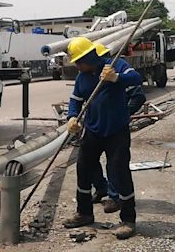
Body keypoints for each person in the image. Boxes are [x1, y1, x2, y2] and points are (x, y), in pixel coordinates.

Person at [63, 37, 141, 240]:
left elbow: (136, 79)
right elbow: (75, 100)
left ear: (89, 56)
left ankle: (128, 219)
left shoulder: (115, 65)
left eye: (80, 61)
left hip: (116, 131)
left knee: (119, 170)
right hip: (93, 131)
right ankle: (84, 212)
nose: (78, 66)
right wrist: (72, 117)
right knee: (83, 169)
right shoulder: (83, 77)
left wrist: (116, 78)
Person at [91, 43, 146, 214]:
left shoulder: (119, 69)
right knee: (89, 161)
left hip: (115, 127)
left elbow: (138, 96)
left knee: (115, 164)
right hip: (95, 125)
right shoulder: (91, 73)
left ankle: (115, 197)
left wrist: (123, 114)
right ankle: (101, 187)